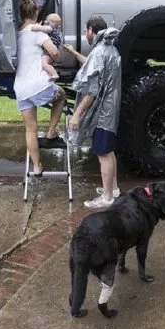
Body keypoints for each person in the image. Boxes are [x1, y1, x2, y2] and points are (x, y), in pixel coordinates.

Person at [65, 17, 121, 208]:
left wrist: (76, 115)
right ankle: (113, 189)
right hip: (110, 110)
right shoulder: (110, 49)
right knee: (109, 151)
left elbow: (91, 90)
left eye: (85, 31)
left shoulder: (99, 51)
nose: (85, 34)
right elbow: (91, 66)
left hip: (102, 113)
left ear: (90, 30)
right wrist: (73, 53)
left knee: (103, 153)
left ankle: (107, 198)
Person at [14, 0, 66, 177]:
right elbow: (53, 52)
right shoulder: (38, 33)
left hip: (20, 88)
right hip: (38, 85)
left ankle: (37, 167)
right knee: (61, 95)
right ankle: (51, 131)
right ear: (36, 12)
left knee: (31, 129)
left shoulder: (17, 34)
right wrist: (56, 58)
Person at [29, 13, 64, 82]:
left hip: (48, 52)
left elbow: (40, 28)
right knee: (46, 65)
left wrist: (34, 27)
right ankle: (48, 76)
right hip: (50, 51)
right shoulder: (57, 31)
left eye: (46, 20)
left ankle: (54, 74)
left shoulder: (50, 28)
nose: (45, 21)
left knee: (44, 64)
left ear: (49, 22)